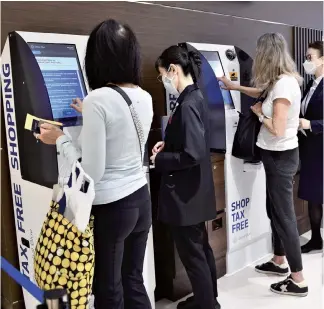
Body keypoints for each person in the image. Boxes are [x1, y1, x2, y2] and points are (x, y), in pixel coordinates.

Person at [35, 19, 153, 309]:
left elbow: (92, 173)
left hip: (112, 209)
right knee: (133, 280)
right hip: (141, 199)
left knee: (108, 289)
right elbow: (122, 135)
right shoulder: (144, 95)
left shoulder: (98, 98)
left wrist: (61, 139)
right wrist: (89, 113)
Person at [218, 33, 308, 297]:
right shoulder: (281, 81)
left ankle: (299, 279)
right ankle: (280, 261)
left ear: (268, 55)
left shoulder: (283, 86)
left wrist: (259, 113)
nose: (257, 58)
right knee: (274, 210)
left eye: (259, 53)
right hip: (276, 157)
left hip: (281, 157)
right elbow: (262, 92)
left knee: (284, 217)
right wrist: (234, 88)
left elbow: (278, 129)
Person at [151, 46, 220, 309]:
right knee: (201, 250)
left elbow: (190, 154)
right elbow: (192, 142)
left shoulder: (188, 103)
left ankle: (206, 305)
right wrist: (166, 146)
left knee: (194, 256)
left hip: (186, 195)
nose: (164, 81)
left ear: (173, 70)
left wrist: (161, 160)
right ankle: (208, 299)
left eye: (162, 75)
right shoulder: (195, 97)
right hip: (195, 191)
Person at [299, 40, 323, 253]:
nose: (306, 61)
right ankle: (316, 239)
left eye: (310, 58)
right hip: (310, 150)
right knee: (313, 196)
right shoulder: (310, 85)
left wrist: (311, 124)